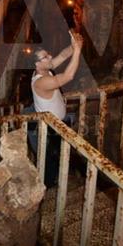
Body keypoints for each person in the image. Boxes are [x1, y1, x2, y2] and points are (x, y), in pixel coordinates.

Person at [26, 31, 82, 186]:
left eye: (48, 55)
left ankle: (62, 175)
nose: (50, 57)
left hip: (58, 123)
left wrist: (74, 45)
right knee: (49, 163)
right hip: (49, 130)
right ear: (37, 64)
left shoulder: (45, 69)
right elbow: (67, 76)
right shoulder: (40, 82)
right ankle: (46, 188)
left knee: (60, 156)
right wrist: (77, 52)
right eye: (46, 57)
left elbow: (63, 55)